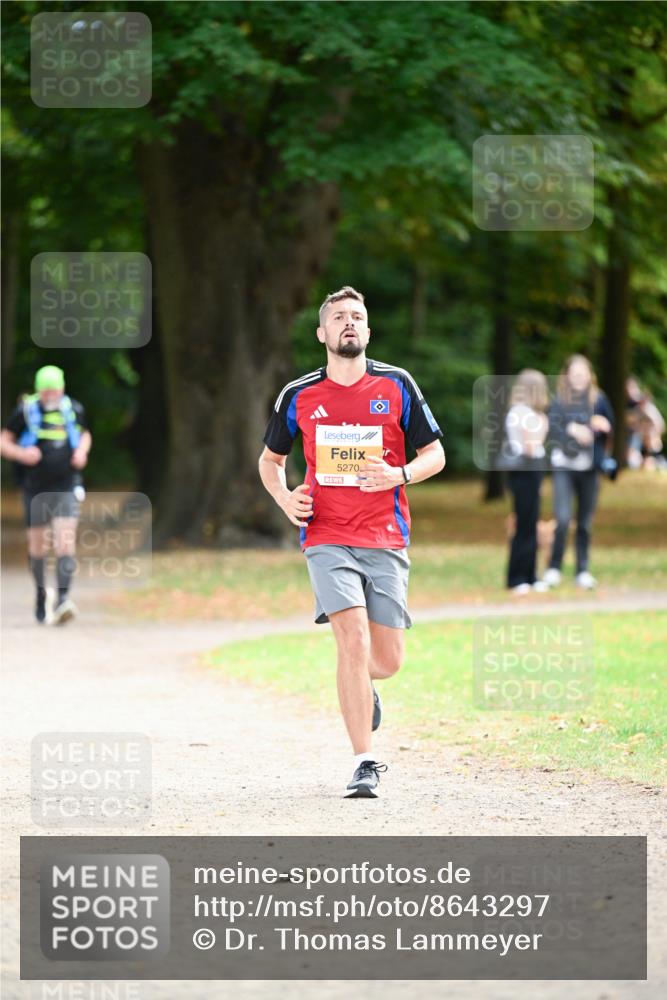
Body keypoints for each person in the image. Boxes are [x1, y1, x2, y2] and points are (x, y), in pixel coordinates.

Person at [258, 286, 445, 798]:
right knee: (353, 640)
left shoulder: (397, 384)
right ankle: (365, 761)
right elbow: (270, 462)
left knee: (385, 661)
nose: (348, 324)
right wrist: (284, 499)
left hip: (385, 536)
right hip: (326, 535)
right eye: (338, 317)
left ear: (368, 331)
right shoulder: (298, 395)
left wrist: (398, 474)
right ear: (321, 333)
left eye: (357, 317)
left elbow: (436, 454)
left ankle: (366, 688)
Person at [0, 365, 91, 624]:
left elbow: (85, 435)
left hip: (66, 484)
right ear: (39, 390)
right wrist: (21, 454)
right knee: (37, 548)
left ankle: (63, 599)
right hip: (35, 488)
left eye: (54, 389)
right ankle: (41, 593)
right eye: (46, 390)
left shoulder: (73, 409)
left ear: (62, 388)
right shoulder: (25, 412)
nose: (51, 394)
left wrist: (81, 452)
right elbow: (3, 441)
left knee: (64, 541)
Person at [542, 355, 614, 590]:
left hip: (589, 469)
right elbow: (552, 431)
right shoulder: (559, 401)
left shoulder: (599, 399)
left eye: (583, 373)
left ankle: (582, 570)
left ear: (589, 375)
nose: (579, 377)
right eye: (575, 373)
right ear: (566, 376)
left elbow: (609, 429)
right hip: (564, 466)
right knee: (562, 520)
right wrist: (573, 430)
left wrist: (601, 426)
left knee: (584, 522)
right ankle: (554, 568)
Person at [502, 369, 549, 594]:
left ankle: (530, 576)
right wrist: (544, 423)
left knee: (530, 524)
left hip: (530, 472)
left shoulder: (525, 412)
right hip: (526, 470)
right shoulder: (524, 413)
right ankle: (517, 577)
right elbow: (531, 446)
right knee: (524, 525)